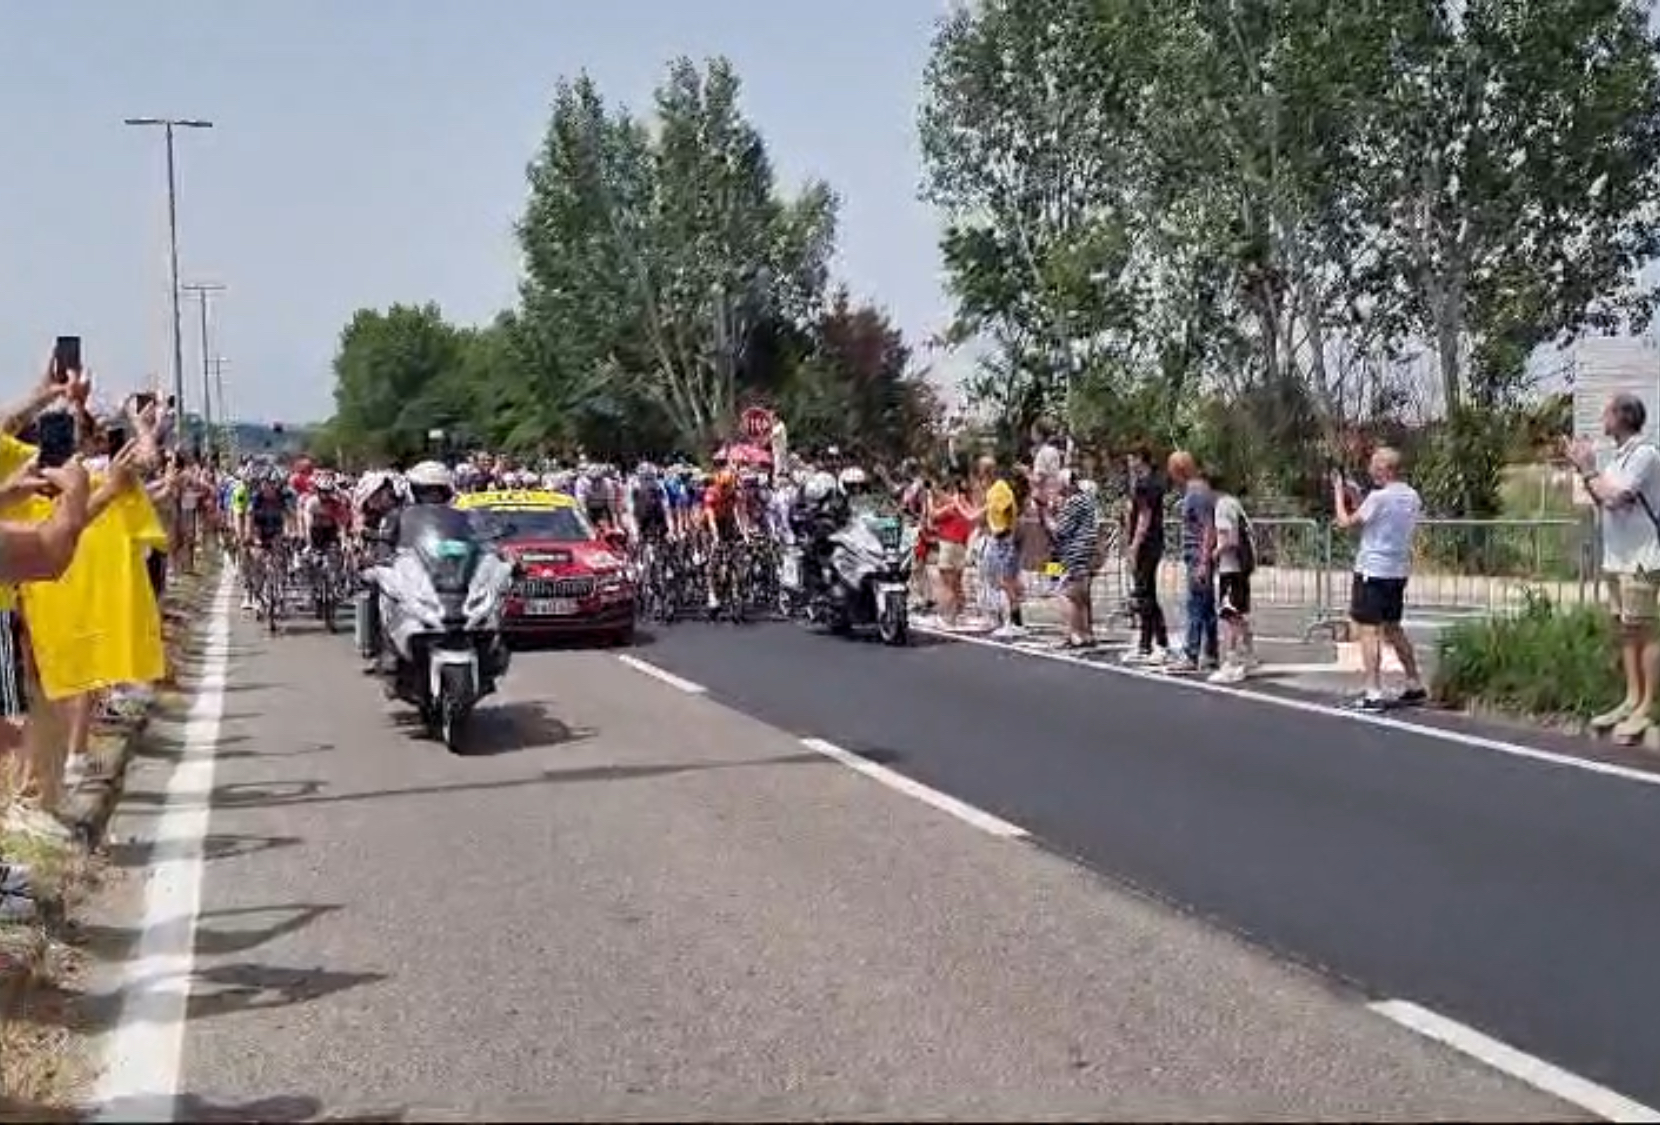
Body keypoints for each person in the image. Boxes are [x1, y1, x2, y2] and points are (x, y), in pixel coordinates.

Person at [1333, 446, 1425, 713]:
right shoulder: (1411, 496)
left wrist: (1339, 495)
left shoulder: (1379, 498)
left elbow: (1345, 522)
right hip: (1397, 570)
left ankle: (1373, 691)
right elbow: (1374, 514)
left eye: (1375, 464)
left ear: (1385, 468)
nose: (1370, 468)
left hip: (1372, 570)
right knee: (1393, 627)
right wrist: (1355, 495)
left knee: (1369, 631)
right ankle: (1414, 683)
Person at [1165, 451, 1219, 674]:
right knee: (1206, 606)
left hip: (1197, 554)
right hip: (1197, 554)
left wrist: (1204, 562)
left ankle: (1191, 653)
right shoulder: (1198, 490)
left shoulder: (1196, 493)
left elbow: (1208, 528)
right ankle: (1211, 652)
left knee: (1195, 604)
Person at [1123, 447, 1171, 666]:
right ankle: (1147, 642)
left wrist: (1134, 545)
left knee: (1145, 593)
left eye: (1131, 458)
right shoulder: (1153, 482)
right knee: (1146, 592)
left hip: (1146, 544)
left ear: (1139, 459)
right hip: (1154, 542)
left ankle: (1158, 641)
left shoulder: (1145, 485)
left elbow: (1144, 516)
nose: (1129, 462)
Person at [1209, 474, 1258, 684]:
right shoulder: (1234, 503)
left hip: (1230, 567)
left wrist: (1213, 553)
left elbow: (1229, 538)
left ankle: (1231, 662)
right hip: (1242, 566)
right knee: (1236, 613)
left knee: (1230, 614)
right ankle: (1249, 652)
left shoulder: (1221, 506)